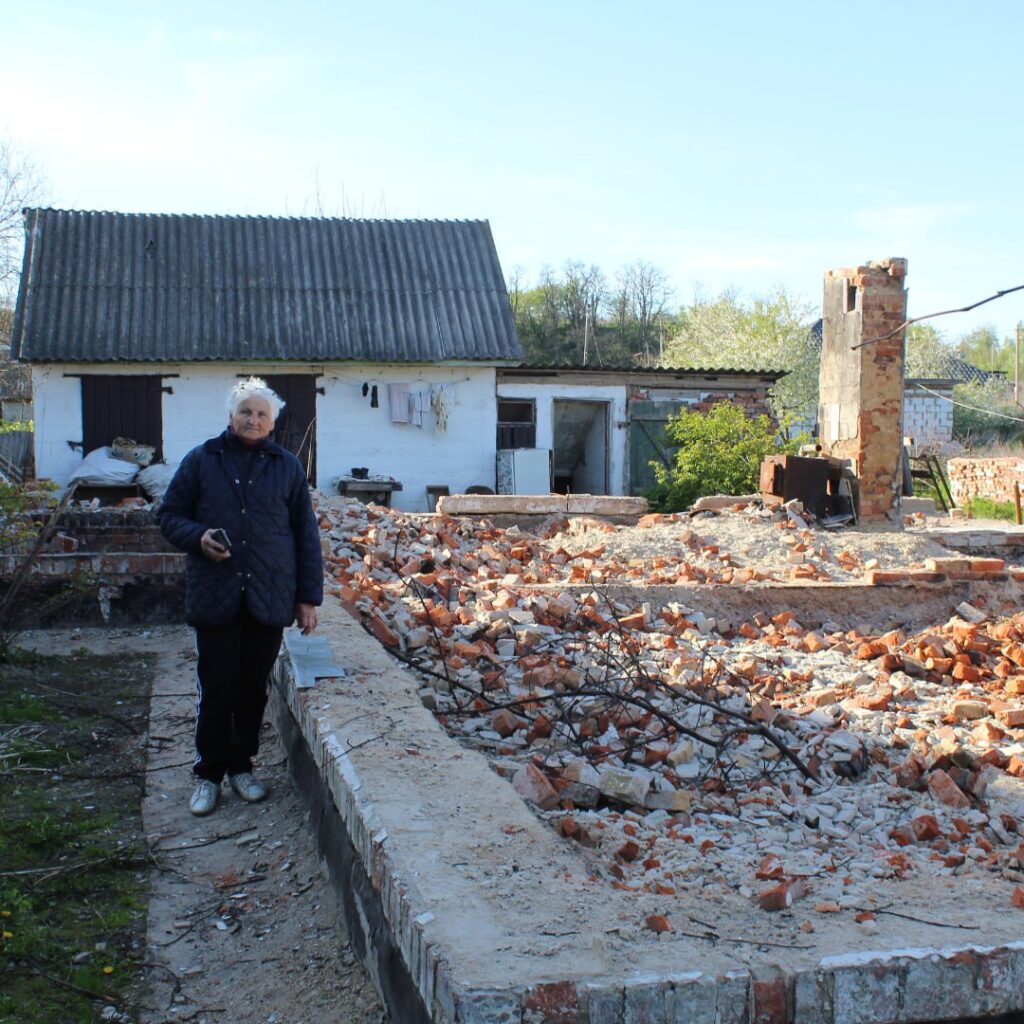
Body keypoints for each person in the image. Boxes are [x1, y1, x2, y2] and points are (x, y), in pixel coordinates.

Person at [159, 377, 323, 816]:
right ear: (230, 417)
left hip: (269, 594)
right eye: (245, 412)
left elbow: (305, 535)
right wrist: (199, 537)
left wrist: (307, 598)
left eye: (261, 414)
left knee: (252, 689)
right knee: (217, 688)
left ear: (272, 423)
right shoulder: (202, 461)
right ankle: (207, 774)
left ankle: (241, 767)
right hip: (217, 593)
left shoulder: (286, 466)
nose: (253, 419)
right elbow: (169, 515)